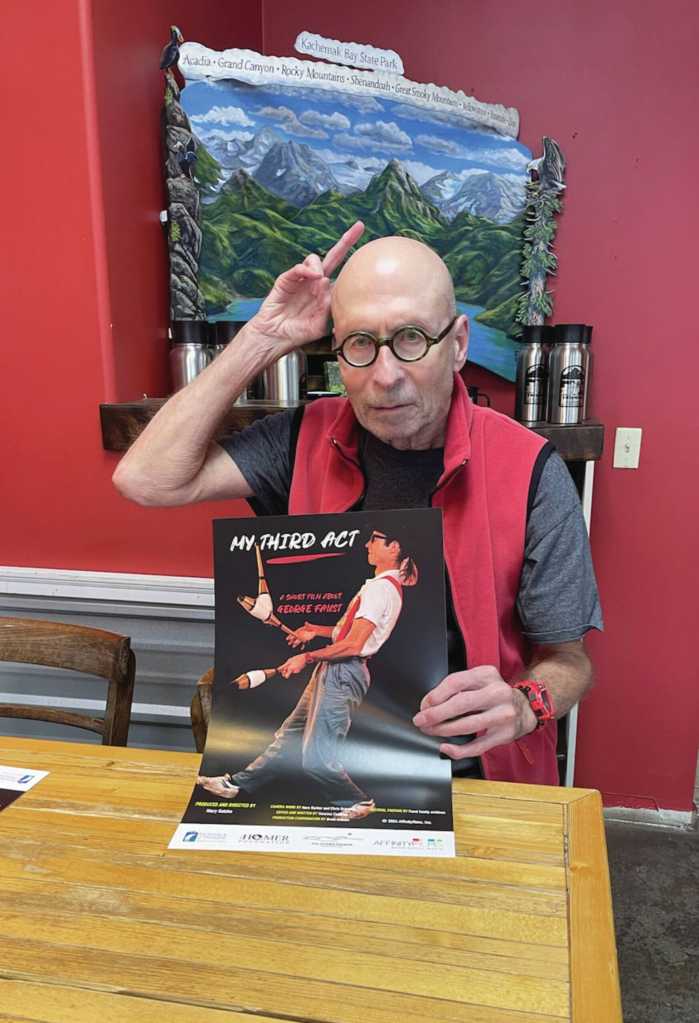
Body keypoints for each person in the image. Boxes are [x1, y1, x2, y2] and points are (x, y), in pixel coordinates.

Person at [113, 221, 602, 785]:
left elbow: (569, 661)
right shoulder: (300, 439)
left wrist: (524, 704)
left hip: (475, 773)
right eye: (360, 344)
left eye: (412, 338)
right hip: (338, 746)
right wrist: (261, 338)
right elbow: (146, 480)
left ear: (458, 344)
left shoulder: (531, 469)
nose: (385, 377)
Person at [196, 526, 418, 820]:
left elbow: (354, 645)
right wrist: (315, 631)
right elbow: (347, 633)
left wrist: (307, 656)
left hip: (344, 672)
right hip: (335, 669)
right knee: (290, 736)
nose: (367, 545)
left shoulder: (381, 589)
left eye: (374, 540)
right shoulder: (380, 586)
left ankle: (358, 801)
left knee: (315, 756)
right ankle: (236, 785)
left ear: (394, 547)